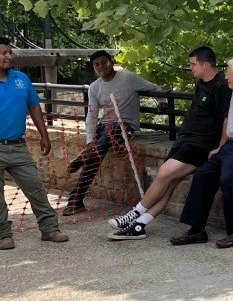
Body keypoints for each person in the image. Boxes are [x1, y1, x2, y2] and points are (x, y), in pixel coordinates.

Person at [109, 46, 231, 240]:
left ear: (205, 64)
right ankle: (140, 225)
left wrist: (221, 145)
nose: (191, 68)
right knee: (169, 183)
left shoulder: (223, 86)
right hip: (185, 140)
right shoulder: (201, 82)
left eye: (193, 64)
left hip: (201, 144)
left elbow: (227, 118)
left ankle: (134, 213)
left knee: (165, 173)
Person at [0, 36, 68, 250]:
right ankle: (3, 233)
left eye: (10, 52)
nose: (8, 56)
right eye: (3, 53)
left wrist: (45, 135)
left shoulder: (21, 79)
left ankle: (50, 229)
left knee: (35, 187)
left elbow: (33, 107)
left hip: (17, 146)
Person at [169, 56, 233, 248]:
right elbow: (231, 123)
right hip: (231, 145)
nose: (225, 77)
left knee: (228, 180)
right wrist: (221, 146)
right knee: (202, 174)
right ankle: (196, 229)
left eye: (229, 74)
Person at [64, 50, 164, 215]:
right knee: (94, 158)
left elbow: (154, 88)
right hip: (105, 127)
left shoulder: (128, 78)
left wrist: (161, 101)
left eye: (104, 62)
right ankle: (76, 201)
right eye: (97, 65)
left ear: (111, 62)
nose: (101, 66)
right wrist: (90, 141)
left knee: (99, 147)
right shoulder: (95, 87)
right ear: (93, 68)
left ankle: (84, 158)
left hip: (126, 126)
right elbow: (92, 115)